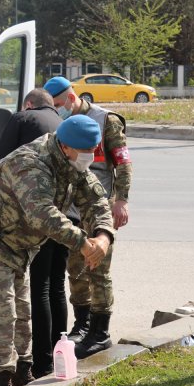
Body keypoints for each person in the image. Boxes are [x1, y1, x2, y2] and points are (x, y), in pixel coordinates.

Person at [0, 115, 114, 386]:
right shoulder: (31, 163)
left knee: (21, 308)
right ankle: (0, 382)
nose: (90, 157)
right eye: (86, 151)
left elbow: (96, 198)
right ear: (66, 147)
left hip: (18, 242)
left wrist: (103, 235)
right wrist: (83, 242)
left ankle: (22, 370)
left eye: (94, 151)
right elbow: (42, 214)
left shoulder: (70, 162)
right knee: (0, 311)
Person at [43, 75, 132, 359]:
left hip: (99, 203)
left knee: (98, 269)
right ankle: (82, 325)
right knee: (75, 269)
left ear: (70, 98)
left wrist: (121, 200)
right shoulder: (62, 123)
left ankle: (100, 331)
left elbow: (123, 162)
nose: (57, 111)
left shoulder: (106, 120)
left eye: (58, 105)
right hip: (71, 205)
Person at [0, 88, 67, 379]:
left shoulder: (22, 119)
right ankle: (60, 355)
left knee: (40, 288)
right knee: (58, 286)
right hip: (66, 214)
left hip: (38, 215)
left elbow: (0, 164)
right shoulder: (63, 123)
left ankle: (41, 362)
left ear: (28, 104)